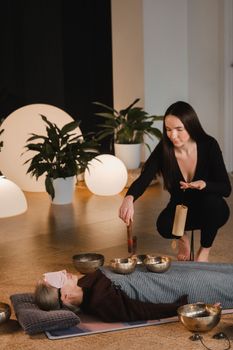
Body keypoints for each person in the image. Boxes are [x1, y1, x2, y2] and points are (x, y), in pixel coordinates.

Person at [119, 101, 231, 262]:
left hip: (210, 211)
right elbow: (145, 178)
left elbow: (226, 188)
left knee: (212, 201)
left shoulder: (209, 145)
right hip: (181, 209)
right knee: (163, 225)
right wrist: (129, 198)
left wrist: (204, 184)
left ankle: (204, 250)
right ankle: (182, 239)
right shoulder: (164, 149)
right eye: (168, 129)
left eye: (179, 129)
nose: (173, 135)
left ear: (191, 126)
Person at [34, 263, 233, 322]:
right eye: (61, 279)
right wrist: (190, 309)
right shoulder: (102, 305)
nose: (64, 272)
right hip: (174, 287)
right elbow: (144, 311)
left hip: (161, 270)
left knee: (220, 268)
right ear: (66, 297)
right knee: (223, 282)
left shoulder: (84, 281)